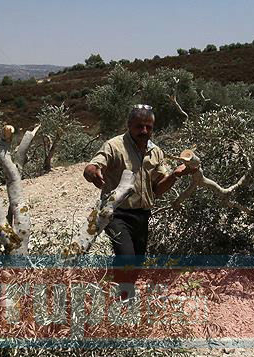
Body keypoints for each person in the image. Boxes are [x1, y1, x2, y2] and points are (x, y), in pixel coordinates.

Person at [83, 104, 198, 297]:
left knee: (137, 260)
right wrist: (92, 173)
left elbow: (157, 189)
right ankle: (122, 300)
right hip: (116, 213)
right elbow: (93, 166)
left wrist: (176, 174)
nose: (144, 131)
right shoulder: (114, 146)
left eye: (149, 127)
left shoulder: (156, 152)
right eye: (139, 126)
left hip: (142, 214)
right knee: (127, 257)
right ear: (129, 125)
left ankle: (117, 293)